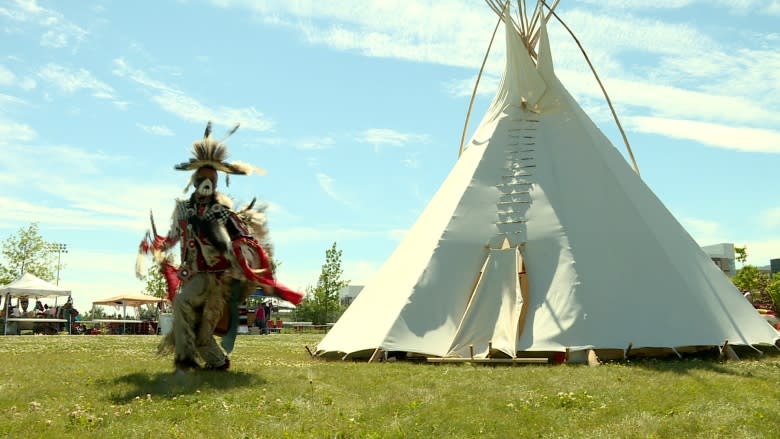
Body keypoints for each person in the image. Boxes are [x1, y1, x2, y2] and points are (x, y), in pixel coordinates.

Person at [137, 122, 303, 374]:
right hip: (195, 278)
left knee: (203, 332)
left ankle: (216, 364)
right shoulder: (183, 210)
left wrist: (238, 260)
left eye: (210, 180)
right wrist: (158, 248)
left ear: (215, 184)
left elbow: (245, 242)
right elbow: (172, 237)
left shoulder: (222, 213)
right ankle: (190, 362)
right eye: (202, 179)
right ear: (194, 181)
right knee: (185, 308)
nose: (206, 184)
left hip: (217, 282)